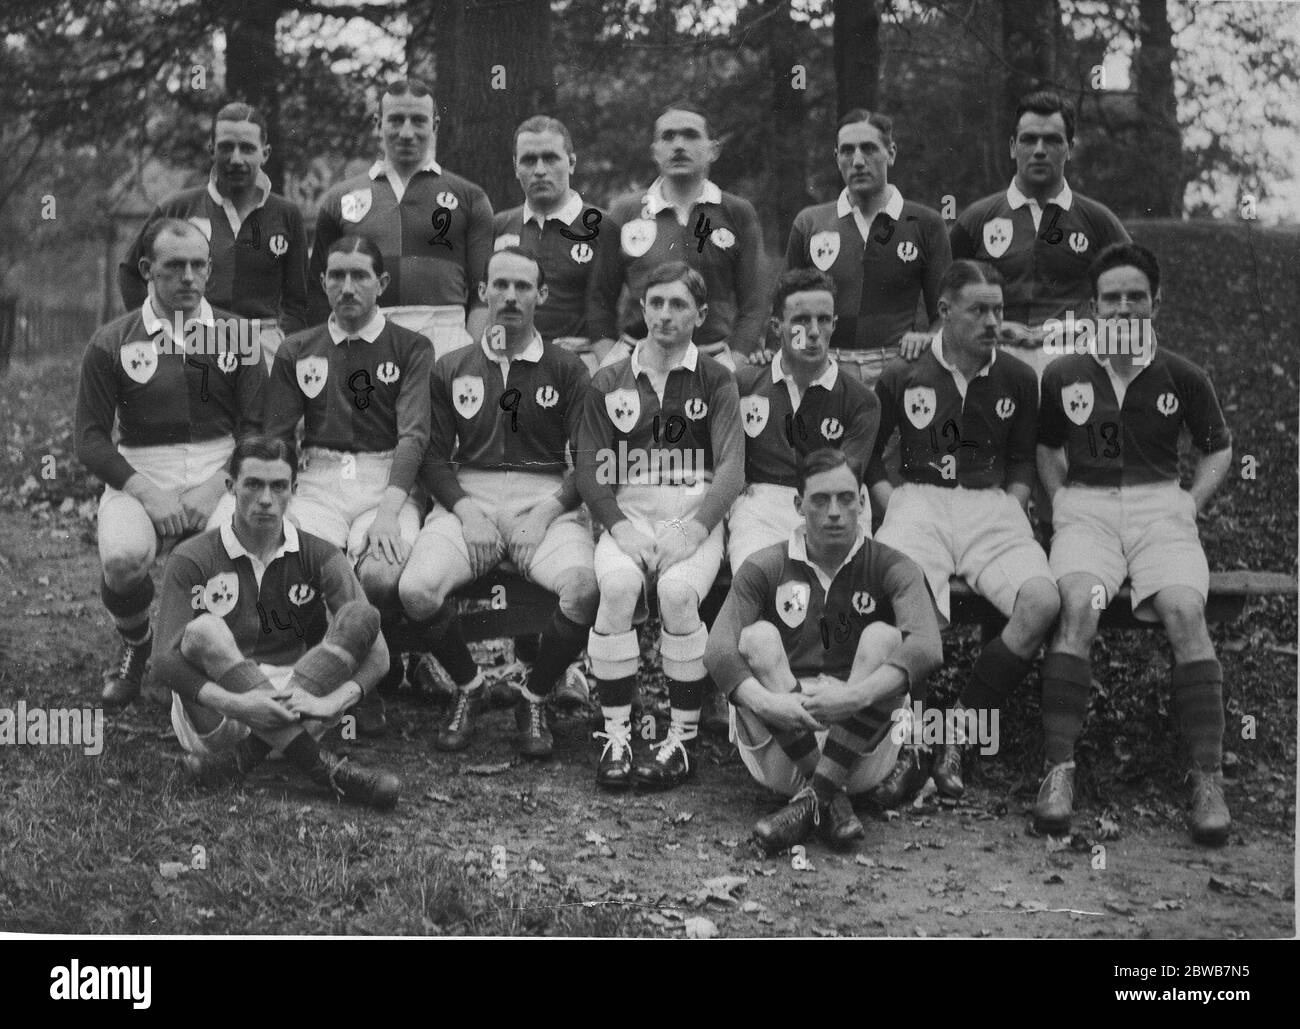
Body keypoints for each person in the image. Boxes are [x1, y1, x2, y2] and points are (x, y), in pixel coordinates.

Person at [1035, 243, 1233, 845]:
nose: (1124, 309)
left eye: (1135, 298)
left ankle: (1207, 779)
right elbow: (1045, 446)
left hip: (1157, 509)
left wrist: (1189, 502)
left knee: (1185, 611)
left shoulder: (1181, 374)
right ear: (1094, 308)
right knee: (1080, 606)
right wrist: (1061, 499)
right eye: (1112, 299)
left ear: (1155, 302)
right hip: (1088, 511)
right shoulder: (1066, 372)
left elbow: (1218, 447)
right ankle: (1057, 770)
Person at [866, 259, 1058, 804]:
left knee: (1041, 601)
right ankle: (911, 743)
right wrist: (890, 500)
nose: (993, 320)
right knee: (899, 598)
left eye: (998, 309)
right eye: (979, 310)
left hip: (990, 505)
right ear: (945, 312)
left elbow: (1023, 456)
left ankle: (960, 732)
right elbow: (870, 454)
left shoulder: (1019, 376)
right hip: (919, 503)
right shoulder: (904, 374)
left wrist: (1015, 504)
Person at [397, 246, 597, 757]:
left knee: (582, 590)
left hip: (544, 498)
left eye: (523, 286)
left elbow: (593, 460)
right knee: (417, 590)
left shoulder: (568, 368)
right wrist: (466, 512)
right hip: (472, 498)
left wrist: (549, 512)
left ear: (542, 295)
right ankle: (470, 687)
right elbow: (433, 458)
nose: (510, 296)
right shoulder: (452, 366)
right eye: (500, 285)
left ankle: (534, 694)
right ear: (482, 292)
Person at [705, 449, 943, 853]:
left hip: (861, 751)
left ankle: (816, 800)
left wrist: (853, 696)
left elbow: (927, 646)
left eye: (846, 498)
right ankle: (830, 796)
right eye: (820, 499)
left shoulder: (892, 565)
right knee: (758, 637)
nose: (835, 511)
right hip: (780, 744)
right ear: (798, 505)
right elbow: (718, 650)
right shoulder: (765, 565)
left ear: (863, 503)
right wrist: (767, 704)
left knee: (884, 639)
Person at [76, 218, 266, 708]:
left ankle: (210, 661)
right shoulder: (112, 340)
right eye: (174, 266)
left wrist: (220, 485)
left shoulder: (237, 335)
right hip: (142, 470)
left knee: (232, 562)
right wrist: (144, 491)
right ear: (146, 270)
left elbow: (258, 430)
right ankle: (138, 647)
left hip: (220, 469)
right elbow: (91, 440)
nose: (188, 276)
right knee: (122, 559)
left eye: (198, 265)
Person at [152, 436, 401, 809]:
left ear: (294, 490)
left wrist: (335, 702)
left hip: (299, 701)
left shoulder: (318, 553)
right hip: (219, 714)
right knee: (205, 629)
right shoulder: (192, 557)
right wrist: (240, 706)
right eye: (253, 484)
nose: (266, 498)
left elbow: (378, 652)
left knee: (362, 615)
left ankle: (239, 762)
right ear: (230, 487)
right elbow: (164, 661)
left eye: (278, 486)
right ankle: (325, 770)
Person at [576, 262, 744, 790]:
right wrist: (617, 527)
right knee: (620, 585)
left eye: (677, 305)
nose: (665, 315)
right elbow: (588, 466)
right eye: (655, 303)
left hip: (691, 512)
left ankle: (681, 738)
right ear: (641, 309)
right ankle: (617, 735)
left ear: (701, 314)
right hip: (629, 511)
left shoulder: (717, 379)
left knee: (675, 593)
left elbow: (732, 469)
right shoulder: (610, 377)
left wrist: (692, 530)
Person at [265, 236, 432, 736]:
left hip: (386, 479)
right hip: (320, 477)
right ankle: (324, 681)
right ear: (323, 283)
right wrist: (278, 496)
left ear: (381, 284)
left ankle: (368, 681)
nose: (347, 286)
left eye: (360, 275)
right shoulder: (299, 348)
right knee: (298, 560)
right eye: (336, 276)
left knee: (381, 574)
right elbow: (277, 434)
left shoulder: (410, 346)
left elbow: (414, 435)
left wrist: (387, 511)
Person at [490, 116, 608, 706]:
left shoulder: (598, 226)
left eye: (550, 159)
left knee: (569, 506)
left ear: (572, 161)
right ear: (515, 166)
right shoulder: (501, 226)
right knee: (514, 489)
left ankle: (567, 664)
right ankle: (528, 654)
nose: (539, 170)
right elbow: (480, 304)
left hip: (573, 370)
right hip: (511, 370)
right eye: (528, 159)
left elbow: (606, 313)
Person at [308, 78, 493, 359]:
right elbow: (319, 292)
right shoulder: (340, 199)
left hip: (446, 338)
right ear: (377, 124)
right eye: (396, 120)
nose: (407, 133)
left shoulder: (470, 197)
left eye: (418, 120)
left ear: (435, 125)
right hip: (363, 335)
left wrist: (471, 356)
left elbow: (484, 294)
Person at [950, 91, 1130, 378]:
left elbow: (1133, 293)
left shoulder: (1099, 221)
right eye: (1029, 139)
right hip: (995, 361)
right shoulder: (976, 219)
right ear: (1012, 146)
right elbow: (946, 295)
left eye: (1053, 140)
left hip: (1076, 362)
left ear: (1070, 147)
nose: (1039, 150)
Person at [119, 102, 308, 366]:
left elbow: (298, 299)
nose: (236, 158)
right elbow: (130, 271)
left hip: (260, 343)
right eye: (226, 147)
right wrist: (158, 329)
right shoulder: (178, 206)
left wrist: (283, 342)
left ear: (264, 154)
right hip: (193, 338)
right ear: (212, 150)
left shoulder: (286, 214)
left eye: (247, 148)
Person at [587, 102, 765, 369]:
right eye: (668, 137)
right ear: (655, 151)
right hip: (639, 362)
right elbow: (599, 299)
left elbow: (755, 303)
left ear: (713, 150)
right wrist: (611, 363)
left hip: (714, 360)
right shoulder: (626, 212)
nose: (678, 145)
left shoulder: (737, 212)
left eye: (691, 135)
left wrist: (734, 363)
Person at [728, 269, 879, 573]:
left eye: (823, 320)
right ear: (776, 326)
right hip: (763, 502)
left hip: (831, 503)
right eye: (800, 321)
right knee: (757, 579)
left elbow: (844, 480)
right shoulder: (743, 384)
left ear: (834, 324)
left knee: (839, 593)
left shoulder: (860, 399)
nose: (813, 332)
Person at [784, 109, 950, 381]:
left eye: (869, 149)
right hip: (822, 366)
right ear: (837, 159)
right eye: (847, 151)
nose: (858, 161)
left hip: (896, 366)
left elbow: (945, 312)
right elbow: (786, 305)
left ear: (891, 153)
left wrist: (927, 339)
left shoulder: (925, 222)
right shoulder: (810, 222)